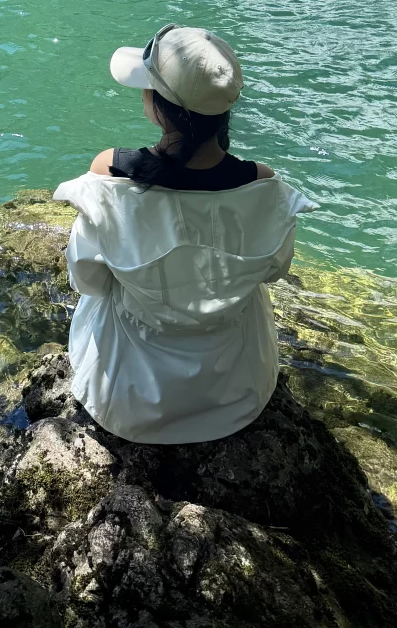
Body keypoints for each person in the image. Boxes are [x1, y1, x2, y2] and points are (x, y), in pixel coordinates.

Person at [52, 23, 315, 444]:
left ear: (159, 106)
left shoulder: (110, 174)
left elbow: (88, 281)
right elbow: (274, 273)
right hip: (238, 391)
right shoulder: (264, 188)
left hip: (125, 398)